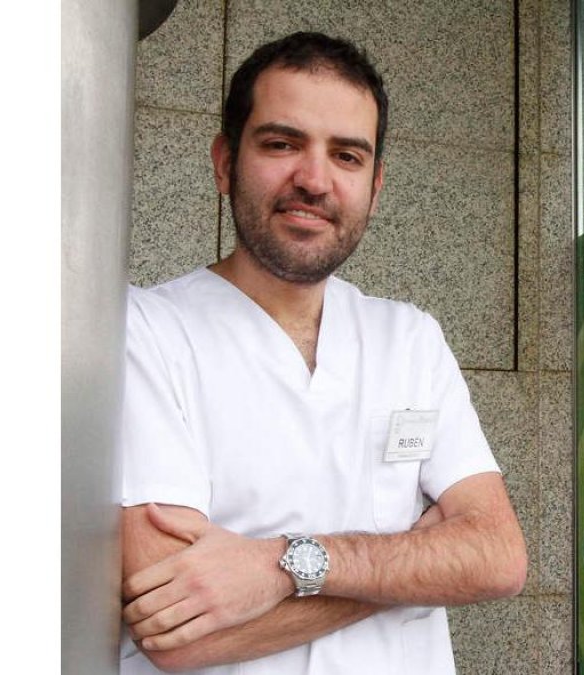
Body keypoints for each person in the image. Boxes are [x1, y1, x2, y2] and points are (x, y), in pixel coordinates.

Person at [118, 31, 527, 674]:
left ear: (375, 184)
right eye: (281, 144)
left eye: (347, 156)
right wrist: (410, 569)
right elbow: (180, 635)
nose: (314, 180)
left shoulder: (409, 338)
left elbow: (498, 558)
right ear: (225, 161)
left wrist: (279, 567)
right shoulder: (144, 332)